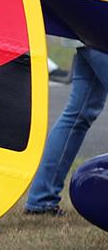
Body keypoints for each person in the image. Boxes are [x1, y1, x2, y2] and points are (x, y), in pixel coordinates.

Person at [25, 45, 108, 215]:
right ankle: (42, 197)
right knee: (76, 116)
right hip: (101, 36)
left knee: (78, 114)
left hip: (86, 34)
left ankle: (42, 197)